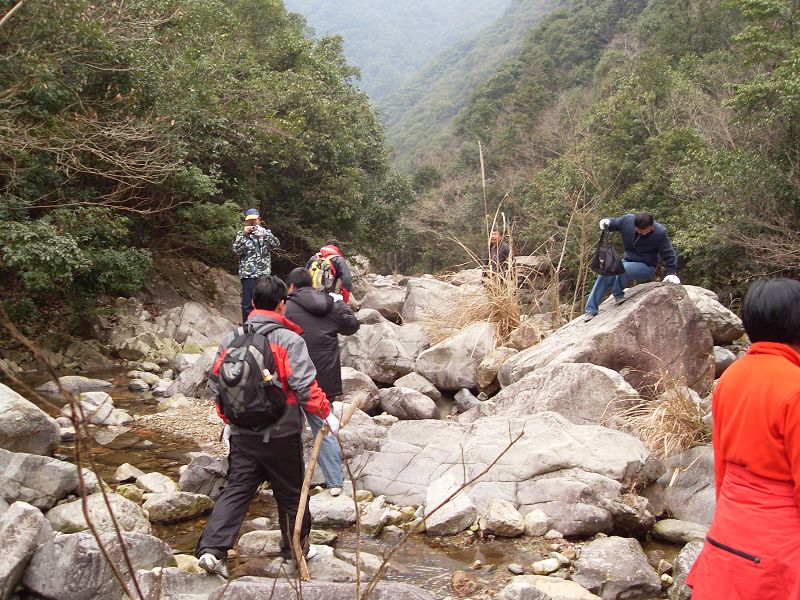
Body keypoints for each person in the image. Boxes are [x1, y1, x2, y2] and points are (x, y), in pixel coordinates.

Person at [195, 275, 339, 578]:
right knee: (290, 493)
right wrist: (326, 413)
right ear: (282, 305)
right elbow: (303, 387)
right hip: (282, 433)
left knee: (236, 489)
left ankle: (212, 550)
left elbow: (215, 383)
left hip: (242, 433)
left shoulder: (231, 338)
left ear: (252, 304)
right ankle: (294, 549)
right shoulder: (289, 340)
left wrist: (230, 419)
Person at [686, 278, 800, 599]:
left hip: (729, 535)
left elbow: (721, 464)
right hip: (782, 546)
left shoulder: (731, 377)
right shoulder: (795, 387)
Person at [285, 267, 360, 496]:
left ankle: (291, 482)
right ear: (313, 284)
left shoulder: (284, 306)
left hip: (291, 377)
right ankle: (335, 483)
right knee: (323, 428)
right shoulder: (329, 303)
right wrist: (341, 304)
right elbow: (352, 326)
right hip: (323, 378)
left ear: (291, 287)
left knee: (289, 430)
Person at [583, 212, 679, 321]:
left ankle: (618, 294)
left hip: (646, 266)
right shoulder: (627, 221)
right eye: (639, 230)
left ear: (652, 226)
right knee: (606, 272)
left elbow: (668, 253)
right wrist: (607, 223)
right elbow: (615, 223)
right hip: (627, 260)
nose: (641, 232)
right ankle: (590, 309)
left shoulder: (659, 232)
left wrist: (672, 272)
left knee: (625, 269)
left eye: (646, 229)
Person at [233, 208, 280, 323]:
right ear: (246, 222)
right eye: (250, 220)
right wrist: (244, 235)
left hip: (264, 275)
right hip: (248, 275)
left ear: (259, 219)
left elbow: (276, 244)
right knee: (247, 305)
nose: (252, 223)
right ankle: (247, 330)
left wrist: (265, 234)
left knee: (264, 303)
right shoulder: (241, 235)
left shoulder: (265, 233)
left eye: (254, 220)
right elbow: (236, 250)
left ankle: (263, 328)